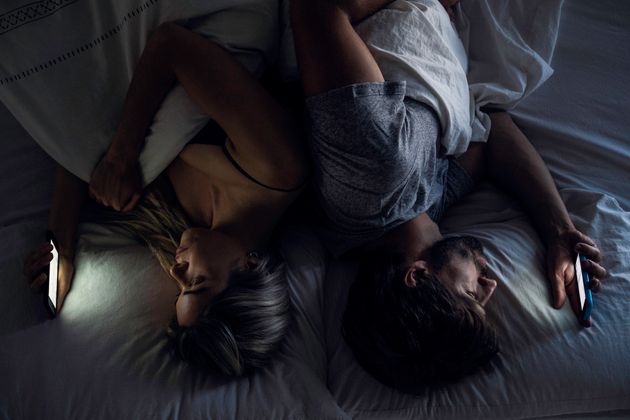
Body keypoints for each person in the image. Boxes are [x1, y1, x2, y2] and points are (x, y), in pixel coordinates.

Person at [289, 0, 607, 392]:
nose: (490, 284)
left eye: (471, 294)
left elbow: (318, 10)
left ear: (418, 274)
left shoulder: (371, 173)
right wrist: (559, 231)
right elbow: (492, 136)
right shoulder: (424, 211)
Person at [23, 21, 307, 376]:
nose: (175, 271)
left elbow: (86, 153)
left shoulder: (183, 226)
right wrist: (121, 157)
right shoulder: (278, 168)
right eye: (197, 282)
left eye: (179, 290)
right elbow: (171, 44)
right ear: (250, 265)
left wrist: (61, 245)